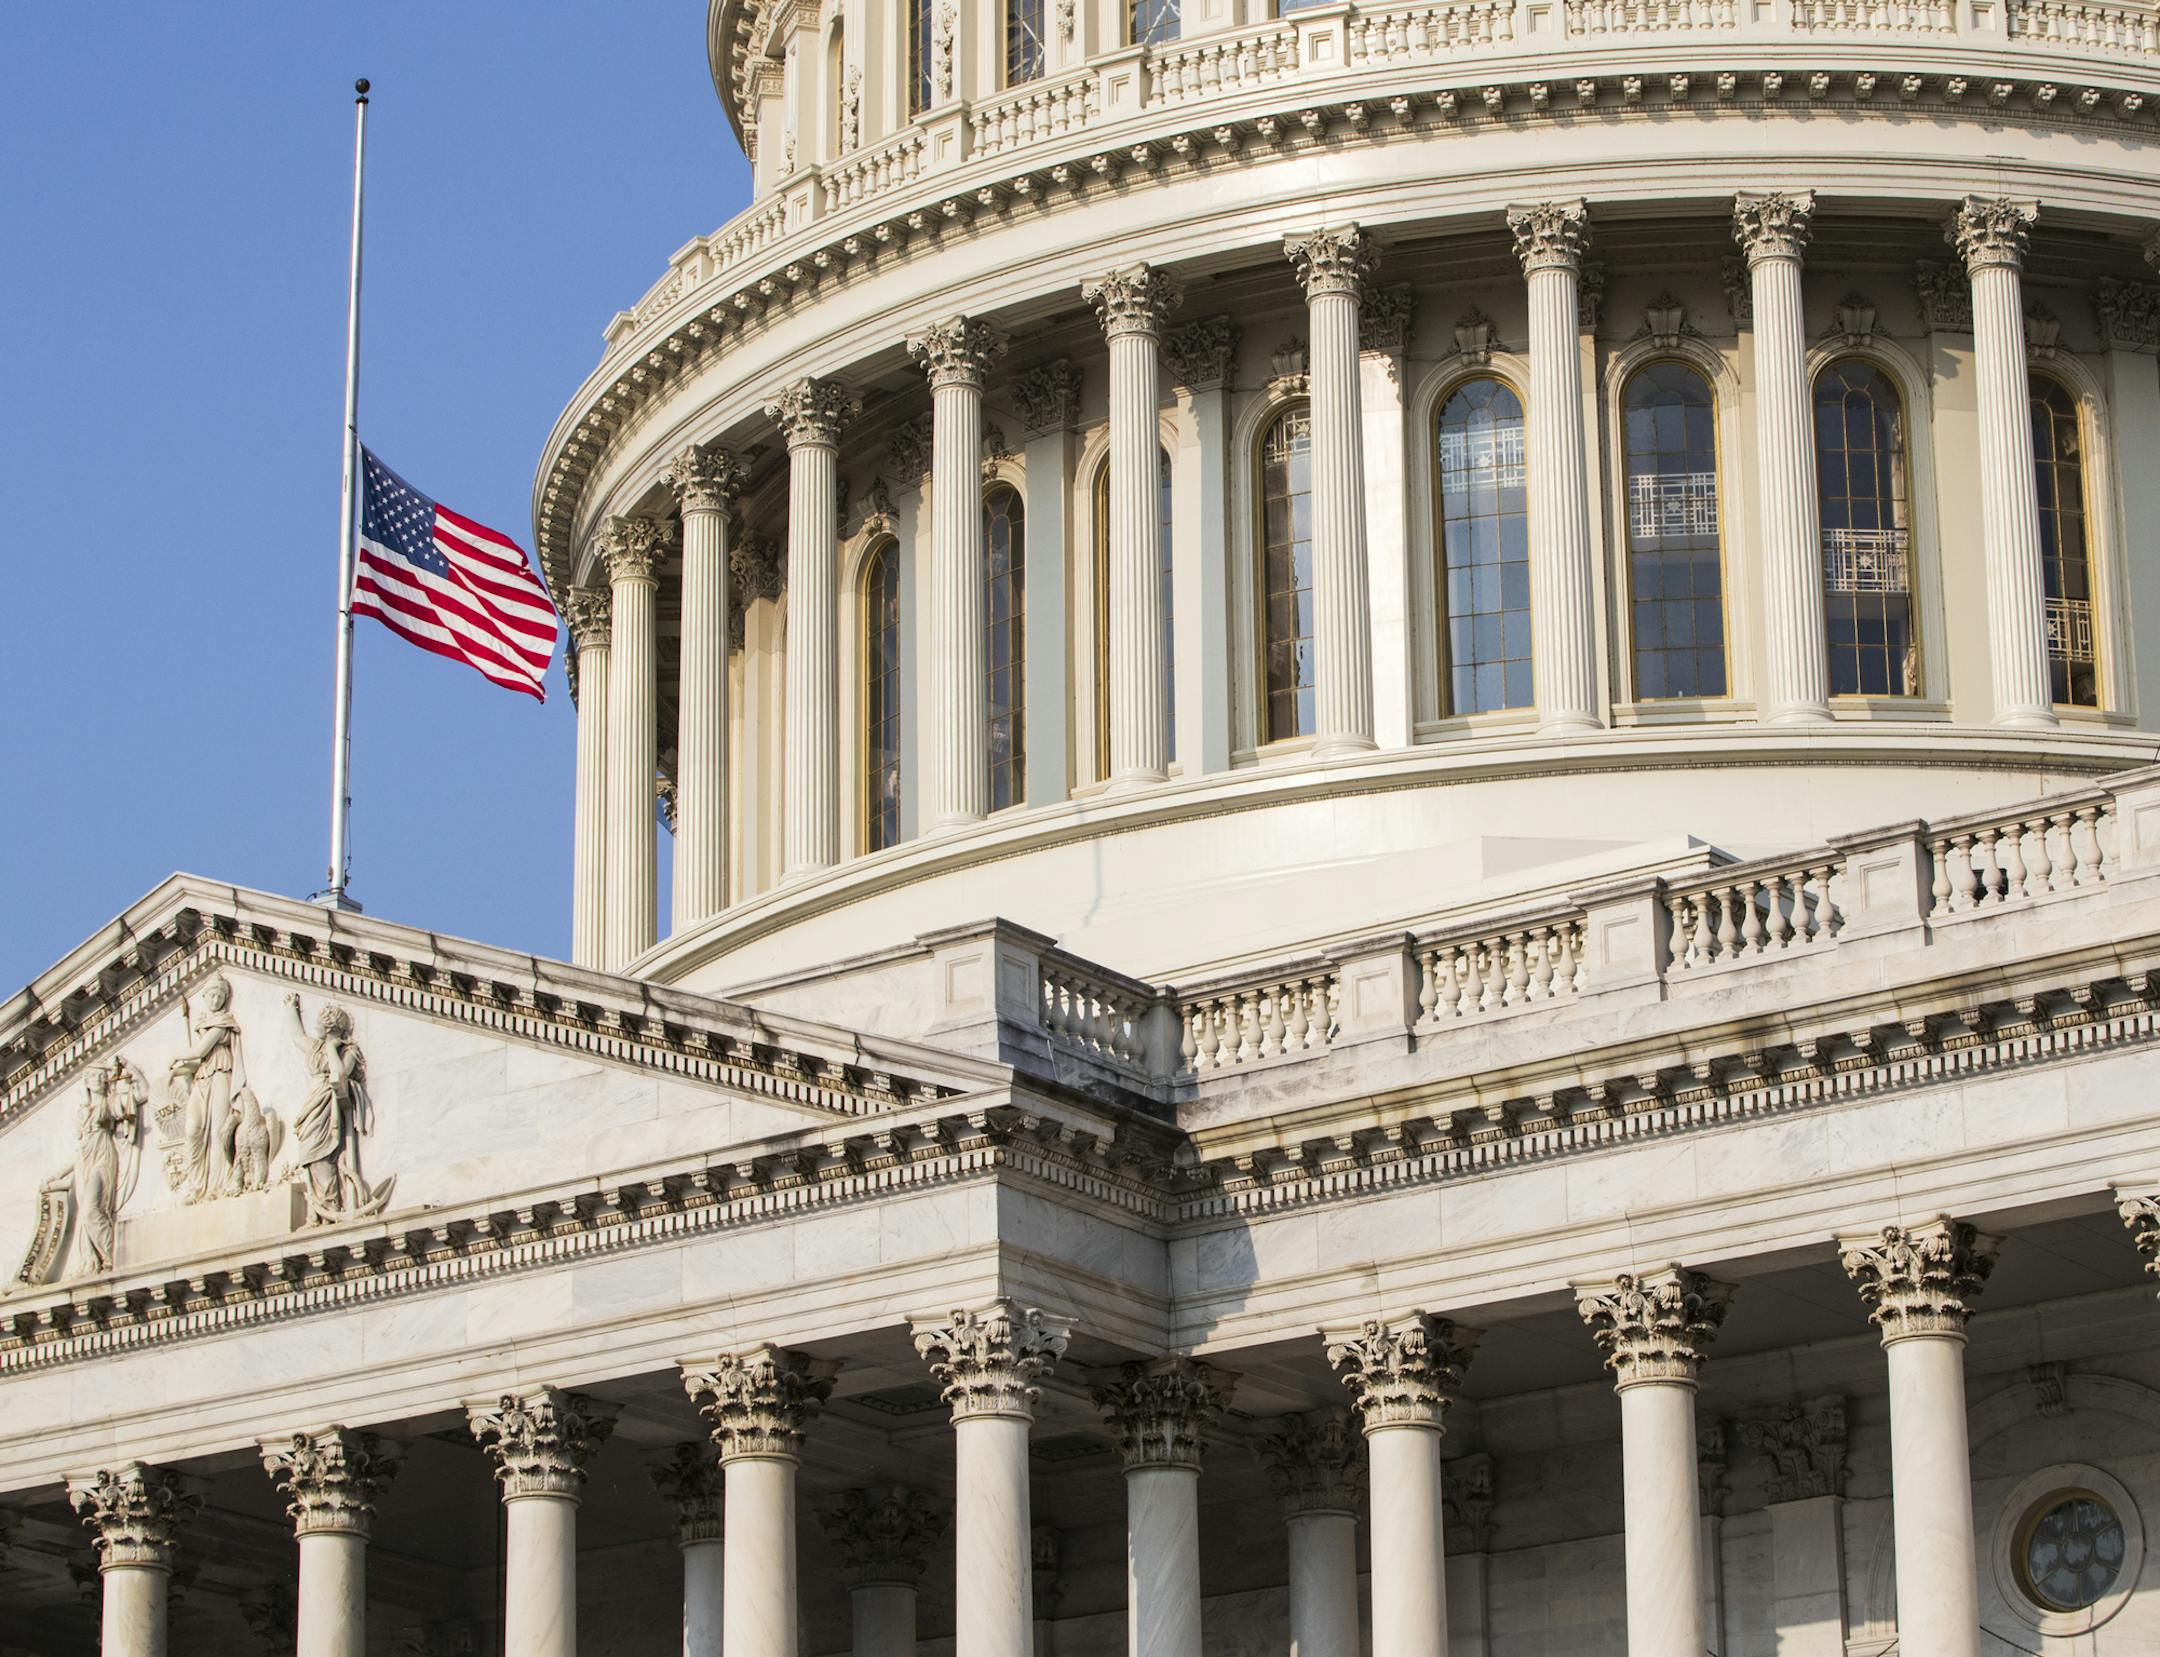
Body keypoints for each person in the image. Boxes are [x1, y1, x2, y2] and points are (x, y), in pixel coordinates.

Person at [285, 995, 382, 1223]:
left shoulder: (347, 1051)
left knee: (322, 1155)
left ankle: (328, 1206)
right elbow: (297, 1036)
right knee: (309, 1156)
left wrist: (331, 1048)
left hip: (328, 1105)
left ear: (329, 1026)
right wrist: (291, 1009)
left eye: (319, 1021)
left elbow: (340, 1074)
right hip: (313, 1102)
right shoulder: (315, 1046)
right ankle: (316, 1209)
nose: (315, 1025)